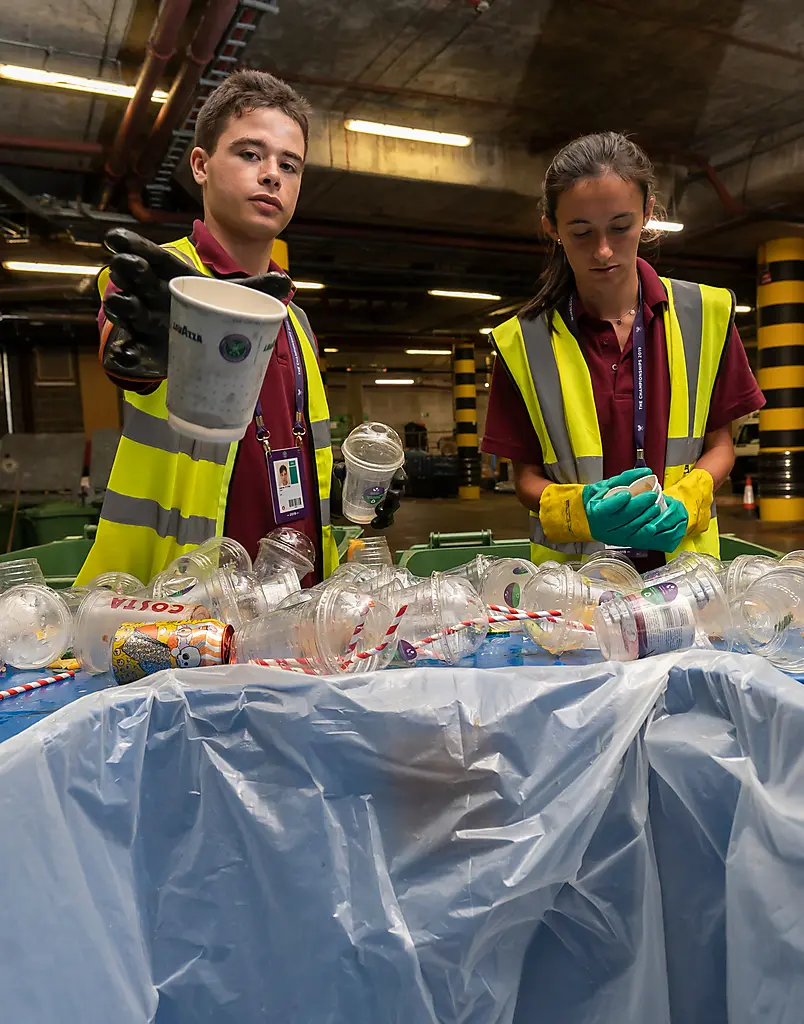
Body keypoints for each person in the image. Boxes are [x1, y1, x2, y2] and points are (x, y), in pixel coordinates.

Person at [78, 70, 403, 587]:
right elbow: (132, 362)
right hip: (182, 601)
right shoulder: (158, 283)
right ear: (201, 166)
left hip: (298, 597)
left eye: (289, 165)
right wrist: (166, 340)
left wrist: (336, 491)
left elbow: (288, 443)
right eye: (251, 154)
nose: (272, 174)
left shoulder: (295, 320)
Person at [482, 132, 764, 570]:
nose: (603, 251)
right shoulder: (523, 343)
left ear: (648, 213)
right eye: (580, 232)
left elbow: (721, 445)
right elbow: (525, 479)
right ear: (552, 229)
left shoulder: (704, 316)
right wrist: (580, 511)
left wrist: (686, 501)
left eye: (620, 226)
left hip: (686, 583)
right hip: (577, 593)